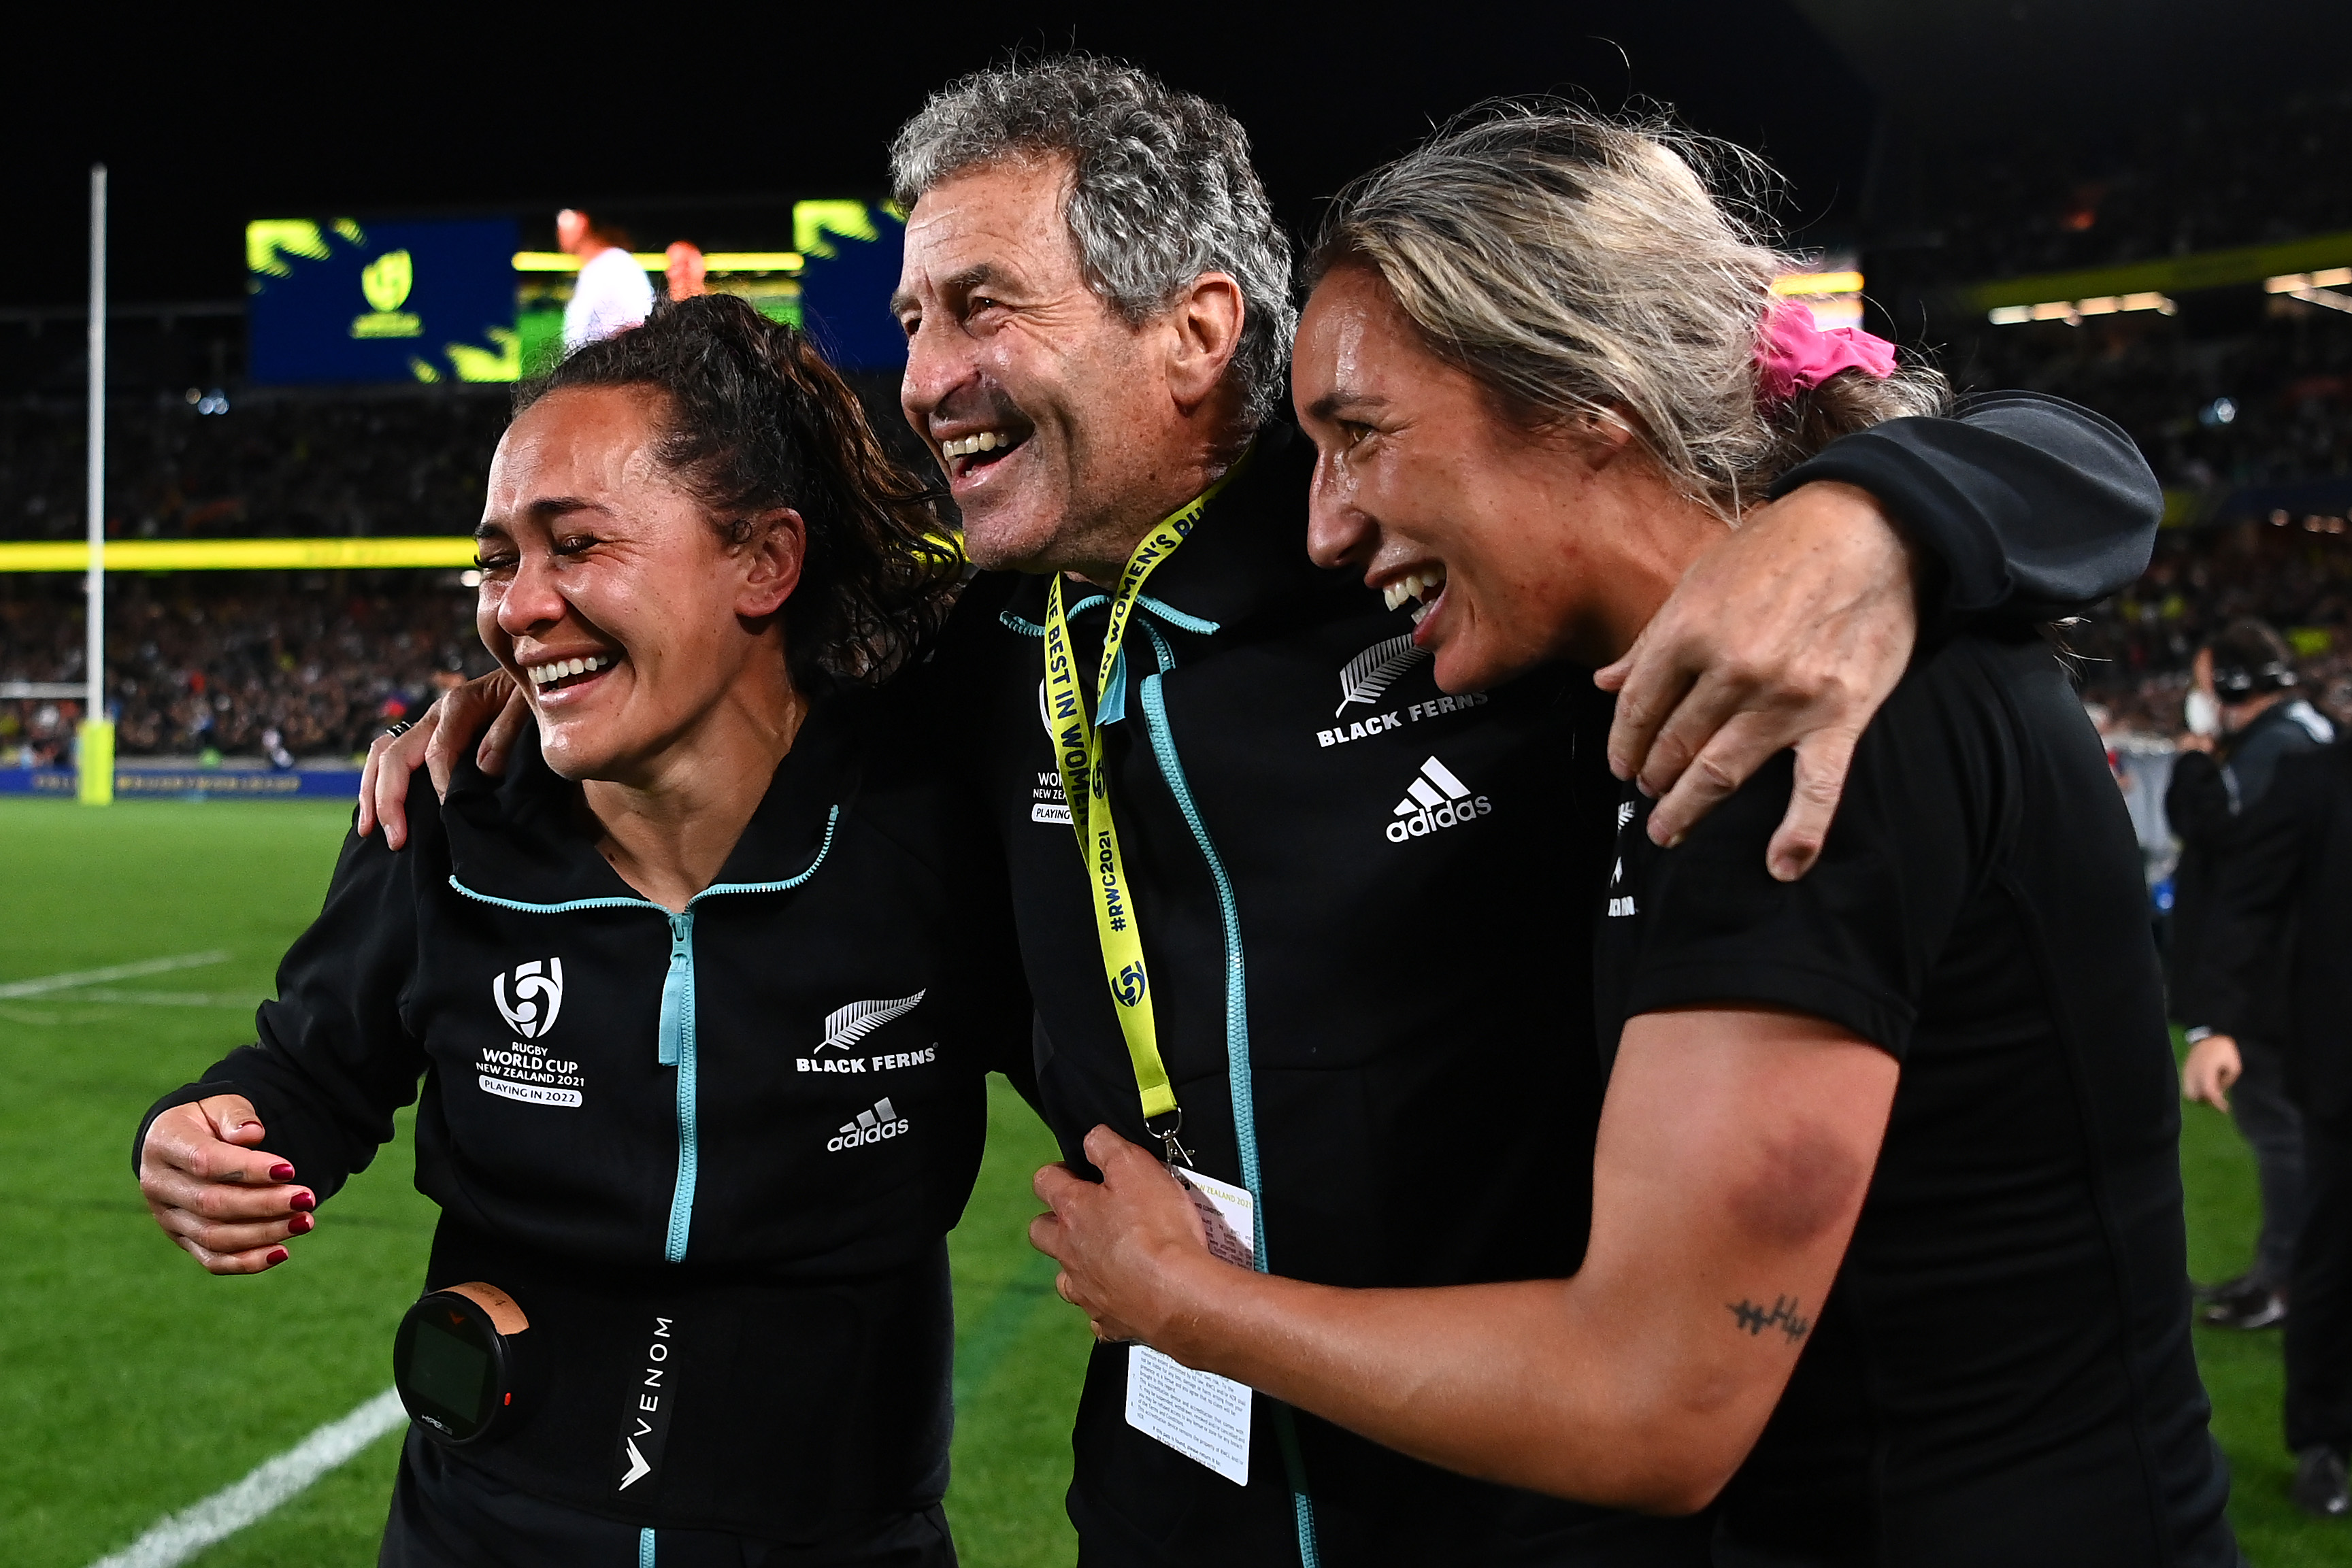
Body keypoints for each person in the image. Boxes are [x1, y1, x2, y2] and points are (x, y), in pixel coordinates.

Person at [370, 57, 2170, 1566]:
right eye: (912, 320)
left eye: (983, 306)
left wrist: (1873, 515)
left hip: (1514, 1508)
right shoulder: (968, 657)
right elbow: (702, 668)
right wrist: (524, 686)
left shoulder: (1440, 555)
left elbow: (2022, 457)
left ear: (1196, 330)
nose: (922, 377)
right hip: (1172, 1499)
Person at [1031, 105, 2237, 1568]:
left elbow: (1653, 1405)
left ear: (1583, 401)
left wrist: (1185, 1303)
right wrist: (1893, 507)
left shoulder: (1797, 716)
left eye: (1361, 438)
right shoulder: (1658, 681)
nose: (1325, 529)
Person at [136, 297, 1025, 1565]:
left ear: (764, 563)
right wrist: (208, 1135)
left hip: (835, 1538)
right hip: (482, 1532)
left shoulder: (929, 829)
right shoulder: (446, 815)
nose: (517, 607)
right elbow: (308, 1074)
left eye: (576, 545)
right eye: (497, 561)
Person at [2185, 735, 2352, 1519]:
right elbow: (2247, 902)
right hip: (2341, 1071)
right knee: (2331, 1257)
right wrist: (2214, 1024)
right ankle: (2324, 1441)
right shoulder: (2314, 780)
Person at [2170, 618, 2334, 1329]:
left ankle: (2287, 1282)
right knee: (2286, 1131)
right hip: (2289, 975)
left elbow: (2229, 846)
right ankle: (2278, 1272)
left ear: (2235, 684)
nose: (2201, 697)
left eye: (2205, 683)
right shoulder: (2297, 739)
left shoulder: (2281, 747)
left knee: (2283, 1133)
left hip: (2276, 981)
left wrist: (2192, 765)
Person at [559, 207, 655, 350]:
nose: (559, 230)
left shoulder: (618, 265)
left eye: (565, 219)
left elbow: (641, 325)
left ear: (583, 221)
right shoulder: (595, 268)